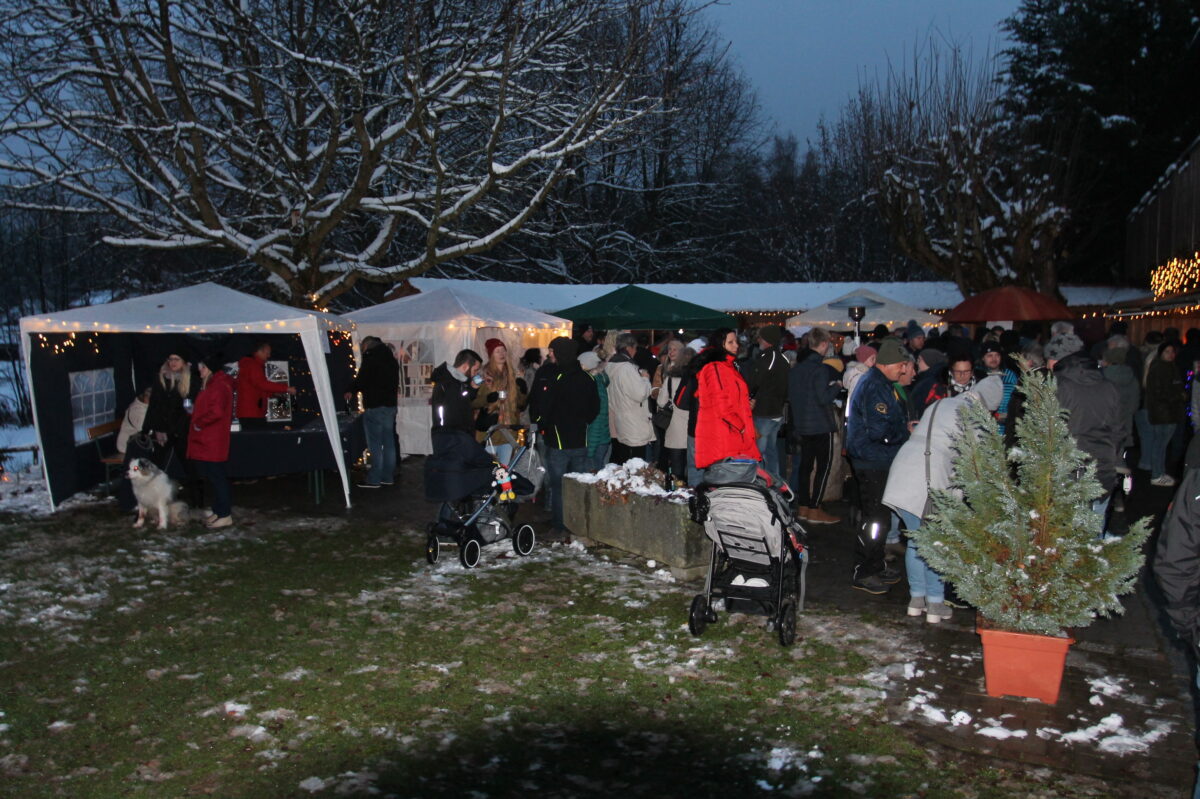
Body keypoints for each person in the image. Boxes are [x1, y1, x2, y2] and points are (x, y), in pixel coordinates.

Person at [883, 376, 1004, 623]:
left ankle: (916, 600)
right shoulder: (975, 418)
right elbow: (977, 463)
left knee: (916, 542)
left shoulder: (942, 403)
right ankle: (936, 605)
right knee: (937, 544)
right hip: (930, 482)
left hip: (904, 472)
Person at [846, 338, 912, 594]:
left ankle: (874, 563)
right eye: (901, 365)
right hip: (873, 459)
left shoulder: (882, 383)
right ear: (888, 364)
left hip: (877, 458)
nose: (904, 370)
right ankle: (863, 570)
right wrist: (902, 434)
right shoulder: (876, 386)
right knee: (875, 519)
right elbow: (879, 430)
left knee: (880, 518)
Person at [1045, 333, 1122, 527]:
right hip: (1103, 471)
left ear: (1059, 359)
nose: (1047, 364)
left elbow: (1048, 435)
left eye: (1049, 359)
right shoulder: (1109, 387)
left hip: (1068, 476)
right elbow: (1119, 433)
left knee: (1066, 541)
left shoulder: (1058, 388)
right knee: (1093, 539)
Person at [540, 337, 600, 534]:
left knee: (559, 487)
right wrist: (582, 422)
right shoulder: (587, 378)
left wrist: (545, 426)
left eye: (553, 351)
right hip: (580, 440)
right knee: (577, 485)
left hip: (559, 442)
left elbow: (546, 408)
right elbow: (594, 408)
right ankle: (579, 525)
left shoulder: (557, 378)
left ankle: (560, 526)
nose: (550, 354)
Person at [787, 327, 842, 524]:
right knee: (823, 468)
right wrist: (836, 386)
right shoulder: (819, 369)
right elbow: (823, 398)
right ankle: (814, 508)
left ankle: (803, 506)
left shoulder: (796, 369)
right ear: (824, 344)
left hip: (803, 424)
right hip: (820, 425)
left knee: (804, 467)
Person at [692, 328, 759, 471]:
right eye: (730, 342)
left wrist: (746, 405)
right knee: (728, 483)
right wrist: (741, 427)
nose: (736, 345)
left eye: (736, 341)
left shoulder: (728, 366)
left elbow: (730, 399)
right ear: (720, 345)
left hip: (731, 433)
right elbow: (720, 405)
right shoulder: (715, 368)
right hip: (725, 436)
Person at [188, 353, 235, 529]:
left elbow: (216, 412)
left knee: (217, 477)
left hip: (212, 439)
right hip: (209, 438)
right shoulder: (213, 384)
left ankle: (224, 514)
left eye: (203, 367)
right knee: (213, 476)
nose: (200, 371)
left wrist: (199, 422)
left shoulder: (218, 386)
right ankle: (218, 511)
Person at [347, 336, 400, 488]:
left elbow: (363, 380)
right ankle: (388, 476)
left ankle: (374, 478)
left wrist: (351, 389)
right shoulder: (391, 359)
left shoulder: (371, 358)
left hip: (375, 406)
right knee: (388, 442)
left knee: (375, 444)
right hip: (390, 405)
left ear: (366, 345)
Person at [472, 338, 527, 467]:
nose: (502, 354)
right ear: (490, 354)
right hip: (489, 432)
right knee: (488, 470)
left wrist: (523, 392)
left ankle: (503, 488)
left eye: (503, 350)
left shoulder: (513, 375)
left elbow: (521, 405)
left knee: (505, 471)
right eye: (497, 351)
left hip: (509, 432)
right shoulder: (482, 376)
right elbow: (472, 403)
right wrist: (487, 399)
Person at [142, 349, 197, 476]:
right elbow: (154, 405)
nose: (173, 362)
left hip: (181, 430)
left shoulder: (191, 380)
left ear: (183, 362)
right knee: (155, 464)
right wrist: (147, 429)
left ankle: (196, 494)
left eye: (176, 359)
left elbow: (189, 407)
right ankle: (153, 494)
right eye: (170, 359)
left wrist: (181, 427)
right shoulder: (161, 378)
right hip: (162, 429)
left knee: (188, 465)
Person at [745, 325, 789, 480]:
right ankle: (775, 482)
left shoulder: (768, 358)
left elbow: (755, 382)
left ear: (767, 340)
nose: (759, 340)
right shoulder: (783, 359)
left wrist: (750, 397)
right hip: (776, 411)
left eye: (761, 337)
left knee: (758, 452)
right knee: (771, 451)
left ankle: (761, 483)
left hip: (764, 412)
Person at [606, 332, 656, 464]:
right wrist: (645, 379)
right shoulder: (626, 368)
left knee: (622, 459)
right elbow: (639, 394)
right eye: (635, 348)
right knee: (635, 464)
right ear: (629, 348)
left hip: (620, 419)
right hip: (633, 423)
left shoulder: (611, 365)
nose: (635, 351)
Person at [1143, 340, 1187, 487]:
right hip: (1164, 413)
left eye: (1172, 352)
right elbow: (1159, 392)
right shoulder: (1160, 368)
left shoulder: (1170, 367)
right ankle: (1156, 474)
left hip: (1168, 412)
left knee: (1161, 445)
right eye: (1167, 352)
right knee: (1160, 445)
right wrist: (1178, 396)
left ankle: (1159, 472)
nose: (1170, 355)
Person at [652, 341, 691, 483]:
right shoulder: (695, 376)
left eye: (675, 349)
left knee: (676, 460)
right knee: (689, 460)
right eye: (669, 349)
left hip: (674, 423)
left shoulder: (670, 376)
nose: (671, 352)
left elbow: (661, 401)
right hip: (692, 424)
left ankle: (677, 487)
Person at [236, 341, 296, 427]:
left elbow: (257, 387)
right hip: (251, 412)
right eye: (267, 353)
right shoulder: (253, 365)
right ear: (259, 351)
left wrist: (272, 393)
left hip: (250, 411)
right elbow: (261, 384)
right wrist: (286, 388)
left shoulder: (250, 364)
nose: (269, 356)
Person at [429, 349, 482, 434]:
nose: (475, 374)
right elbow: (454, 410)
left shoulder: (459, 383)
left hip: (460, 435)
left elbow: (463, 402)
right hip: (449, 436)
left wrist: (473, 389)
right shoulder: (446, 383)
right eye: (475, 370)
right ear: (465, 367)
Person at [979, 341, 1019, 435]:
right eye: (990, 355)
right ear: (983, 358)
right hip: (982, 431)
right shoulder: (978, 375)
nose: (994, 359)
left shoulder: (1010, 375)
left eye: (997, 355)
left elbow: (1017, 401)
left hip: (1005, 430)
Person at [580, 351, 611, 471]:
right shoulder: (597, 381)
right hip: (601, 441)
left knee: (592, 479)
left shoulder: (594, 384)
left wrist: (590, 450)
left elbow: (597, 419)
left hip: (595, 443)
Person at [910, 348, 947, 414]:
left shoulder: (929, 382)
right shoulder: (927, 377)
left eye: (919, 360)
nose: (917, 362)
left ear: (929, 361)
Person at [117, 386, 152, 455]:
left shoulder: (143, 406)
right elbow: (145, 429)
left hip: (138, 443)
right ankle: (137, 466)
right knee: (137, 465)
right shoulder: (136, 410)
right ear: (146, 398)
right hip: (126, 445)